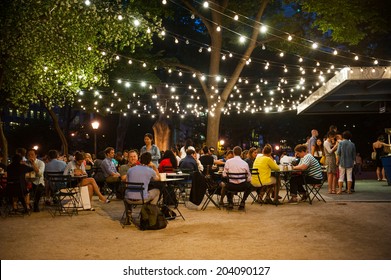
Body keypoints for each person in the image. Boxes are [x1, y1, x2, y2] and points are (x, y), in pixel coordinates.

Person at [221, 146, 252, 210]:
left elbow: (224, 175)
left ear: (233, 153)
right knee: (250, 186)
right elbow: (249, 178)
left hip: (231, 186)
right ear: (241, 154)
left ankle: (230, 202)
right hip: (242, 186)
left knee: (225, 185)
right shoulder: (245, 163)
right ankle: (243, 202)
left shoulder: (228, 162)